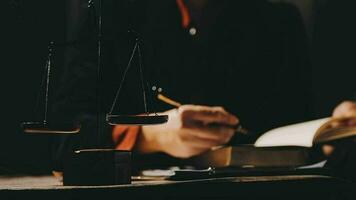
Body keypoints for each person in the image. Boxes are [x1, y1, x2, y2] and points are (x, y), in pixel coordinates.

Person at [52, 0, 311, 169]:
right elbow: (59, 138)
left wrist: (336, 132)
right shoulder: (112, 13)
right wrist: (150, 135)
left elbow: (301, 131)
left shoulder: (278, 20)